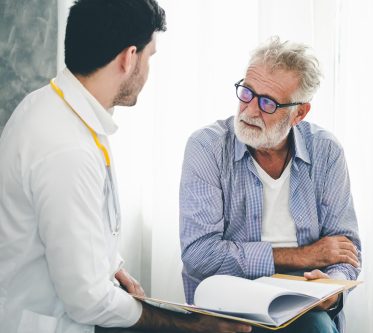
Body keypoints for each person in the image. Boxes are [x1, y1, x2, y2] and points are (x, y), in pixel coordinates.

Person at [0, 1, 251, 332]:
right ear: (129, 57)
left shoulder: (56, 106)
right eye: (150, 57)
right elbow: (88, 299)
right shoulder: (66, 148)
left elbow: (77, 227)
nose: (148, 70)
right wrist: (186, 324)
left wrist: (112, 266)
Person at [179, 36, 361, 333]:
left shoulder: (326, 151)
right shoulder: (207, 147)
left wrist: (333, 288)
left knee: (315, 326)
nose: (250, 110)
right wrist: (304, 256)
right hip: (228, 304)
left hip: (302, 304)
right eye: (247, 92)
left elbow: (345, 251)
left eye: (267, 102)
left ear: (299, 113)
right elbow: (200, 255)